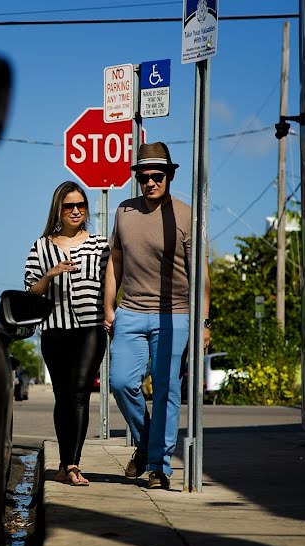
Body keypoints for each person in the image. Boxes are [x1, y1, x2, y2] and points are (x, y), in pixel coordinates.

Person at [103, 142, 211, 490]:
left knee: (166, 389)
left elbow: (201, 276)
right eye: (143, 177)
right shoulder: (123, 212)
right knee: (120, 382)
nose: (150, 183)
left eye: (157, 176)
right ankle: (148, 441)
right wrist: (109, 305)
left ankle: (158, 465)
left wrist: (204, 322)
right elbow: (115, 261)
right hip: (130, 311)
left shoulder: (184, 215)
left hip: (174, 315)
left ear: (170, 176)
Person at [25, 181, 111, 486]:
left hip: (91, 328)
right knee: (63, 397)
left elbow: (112, 282)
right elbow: (31, 292)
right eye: (69, 206)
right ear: (58, 210)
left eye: (80, 205)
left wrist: (112, 311)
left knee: (79, 393)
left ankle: (73, 464)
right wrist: (50, 274)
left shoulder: (101, 245)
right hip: (54, 330)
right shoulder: (41, 246)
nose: (76, 211)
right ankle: (64, 464)